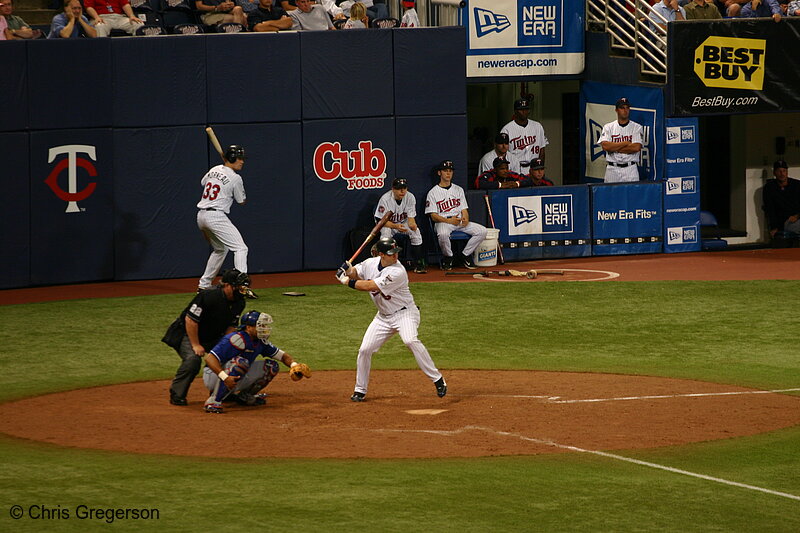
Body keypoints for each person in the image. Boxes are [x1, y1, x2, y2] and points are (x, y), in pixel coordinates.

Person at [335, 237, 447, 402]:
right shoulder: (370, 263)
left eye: (396, 253)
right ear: (381, 254)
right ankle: (360, 390)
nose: (395, 256)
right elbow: (357, 273)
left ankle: (437, 379)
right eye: (391, 254)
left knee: (410, 340)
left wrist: (346, 281)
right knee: (364, 350)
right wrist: (349, 270)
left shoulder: (398, 271)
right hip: (383, 317)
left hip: (405, 314)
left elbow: (369, 286)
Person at [163, 268, 250, 406]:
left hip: (213, 335)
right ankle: (177, 394)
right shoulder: (209, 296)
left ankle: (223, 392)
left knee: (231, 355)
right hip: (187, 332)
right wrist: (196, 344)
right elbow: (191, 320)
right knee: (193, 360)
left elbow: (231, 326)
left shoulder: (239, 302)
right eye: (237, 286)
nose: (241, 290)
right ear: (227, 285)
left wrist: (227, 346)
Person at [202, 310, 311, 413]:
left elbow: (283, 356)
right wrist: (225, 377)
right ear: (248, 327)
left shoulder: (260, 342)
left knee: (271, 366)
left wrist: (294, 365)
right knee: (240, 362)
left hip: (236, 374)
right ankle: (214, 401)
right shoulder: (236, 339)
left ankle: (244, 396)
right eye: (261, 326)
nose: (264, 328)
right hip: (214, 376)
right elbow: (210, 358)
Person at [196, 145, 257, 299]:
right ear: (231, 158)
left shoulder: (214, 169)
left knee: (220, 249)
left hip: (201, 216)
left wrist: (221, 172)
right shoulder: (236, 178)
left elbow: (204, 182)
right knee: (241, 248)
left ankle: (203, 285)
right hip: (216, 216)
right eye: (239, 158)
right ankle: (241, 285)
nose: (242, 162)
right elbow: (241, 201)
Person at [425, 160, 487, 270]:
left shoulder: (458, 189)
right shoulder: (433, 192)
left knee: (482, 231)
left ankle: (464, 255)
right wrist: (448, 221)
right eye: (445, 171)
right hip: (443, 221)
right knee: (443, 234)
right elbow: (433, 216)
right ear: (439, 173)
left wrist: (466, 219)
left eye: (450, 171)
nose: (448, 173)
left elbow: (464, 209)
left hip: (458, 221)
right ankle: (448, 257)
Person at [375, 178, 427, 274]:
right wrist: (395, 226)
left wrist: (413, 225)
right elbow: (380, 222)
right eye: (399, 188)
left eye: (404, 188)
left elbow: (411, 218)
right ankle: (384, 264)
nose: (402, 191)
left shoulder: (410, 197)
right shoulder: (385, 199)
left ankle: (419, 263)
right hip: (389, 225)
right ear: (393, 189)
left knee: (416, 232)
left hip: (403, 224)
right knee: (385, 235)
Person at [597, 97, 643, 183]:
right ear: (616, 110)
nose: (625, 111)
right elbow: (605, 146)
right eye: (622, 108)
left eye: (627, 108)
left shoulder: (636, 127)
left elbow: (636, 148)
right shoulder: (608, 127)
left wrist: (614, 148)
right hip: (612, 169)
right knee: (611, 196)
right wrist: (625, 143)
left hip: (630, 169)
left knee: (632, 195)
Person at [501, 98, 549, 167]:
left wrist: (540, 167)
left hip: (533, 167)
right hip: (515, 167)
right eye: (521, 109)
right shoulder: (506, 129)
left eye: (526, 109)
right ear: (515, 111)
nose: (524, 112)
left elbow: (542, 149)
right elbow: (502, 152)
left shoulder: (538, 126)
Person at [762, 159, 800, 243]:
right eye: (779, 171)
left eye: (784, 171)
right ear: (774, 173)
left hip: (797, 217)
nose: (782, 173)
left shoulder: (796, 185)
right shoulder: (770, 188)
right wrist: (774, 227)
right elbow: (770, 209)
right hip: (786, 222)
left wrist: (797, 215)